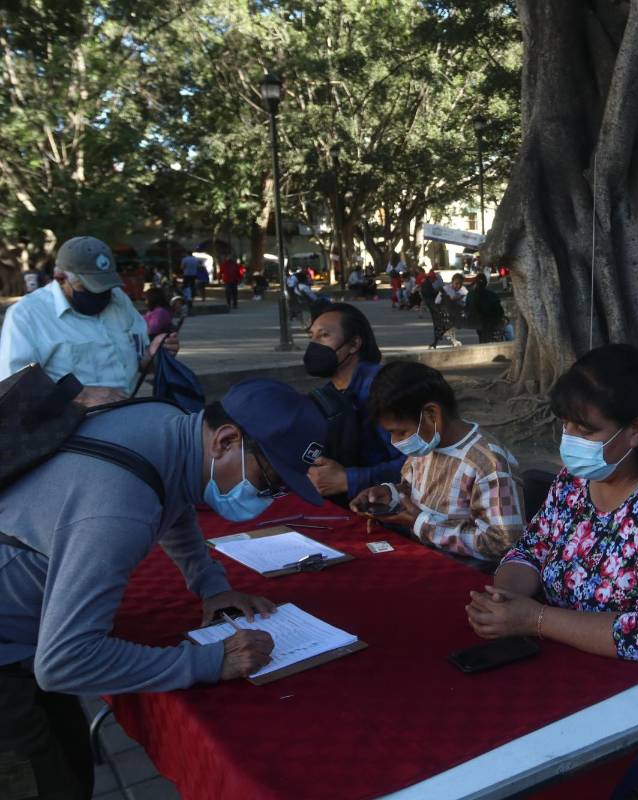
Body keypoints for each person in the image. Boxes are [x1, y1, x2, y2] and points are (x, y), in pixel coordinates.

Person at [0, 378, 329, 799]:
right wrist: (209, 663)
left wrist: (209, 584)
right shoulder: (117, 509)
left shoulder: (168, 423)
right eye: (269, 482)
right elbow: (65, 661)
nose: (269, 498)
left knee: (71, 763)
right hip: (13, 651)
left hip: (27, 636)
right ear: (225, 440)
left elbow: (175, 499)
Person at [465, 344, 638, 795]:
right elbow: (531, 550)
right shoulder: (577, 481)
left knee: (547, 776)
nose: (569, 438)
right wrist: (506, 597)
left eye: (586, 428)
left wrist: (533, 619)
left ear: (636, 430)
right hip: (582, 664)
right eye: (566, 424)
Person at [350, 361, 524, 562]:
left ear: (432, 415)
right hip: (421, 554)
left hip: (466, 571)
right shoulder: (427, 444)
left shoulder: (488, 464)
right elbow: (414, 493)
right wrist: (391, 495)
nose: (396, 441)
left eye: (401, 432)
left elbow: (502, 543)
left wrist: (422, 525)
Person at [0, 236, 181, 407]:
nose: (102, 294)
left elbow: (139, 359)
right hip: (67, 428)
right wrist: (80, 396)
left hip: (126, 412)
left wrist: (154, 355)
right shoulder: (26, 315)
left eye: (105, 285)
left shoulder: (118, 299)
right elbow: (13, 388)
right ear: (60, 278)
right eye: (90, 286)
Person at [303, 303, 405, 506]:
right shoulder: (328, 393)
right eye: (311, 337)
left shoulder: (382, 388)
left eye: (324, 335)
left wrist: (348, 479)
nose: (314, 345)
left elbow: (419, 463)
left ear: (354, 344)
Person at [466, 272, 506, 343]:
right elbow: (500, 312)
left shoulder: (470, 295)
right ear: (486, 283)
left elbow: (467, 309)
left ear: (475, 283)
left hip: (477, 323)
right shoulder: (492, 296)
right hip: (490, 323)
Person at [438, 273, 468, 347]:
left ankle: (450, 334)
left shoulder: (463, 290)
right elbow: (439, 301)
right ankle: (452, 337)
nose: (459, 285)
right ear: (452, 282)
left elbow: (465, 299)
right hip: (446, 310)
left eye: (460, 284)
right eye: (456, 283)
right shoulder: (447, 289)